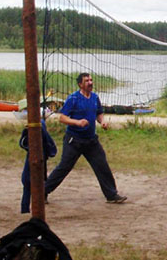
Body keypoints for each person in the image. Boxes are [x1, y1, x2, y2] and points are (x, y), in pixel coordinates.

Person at [44, 72, 127, 203]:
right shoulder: (73, 98)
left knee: (102, 165)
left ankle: (111, 195)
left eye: (91, 80)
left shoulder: (94, 98)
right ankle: (43, 192)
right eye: (87, 81)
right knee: (64, 167)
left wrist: (102, 122)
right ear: (80, 84)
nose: (90, 82)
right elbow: (62, 118)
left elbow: (99, 113)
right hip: (74, 141)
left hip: (91, 141)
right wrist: (77, 122)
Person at [19, 118, 57, 214]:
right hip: (38, 159)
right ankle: (27, 209)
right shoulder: (39, 129)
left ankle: (27, 209)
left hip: (39, 159)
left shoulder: (39, 128)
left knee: (30, 184)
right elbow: (51, 147)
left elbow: (23, 143)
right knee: (30, 183)